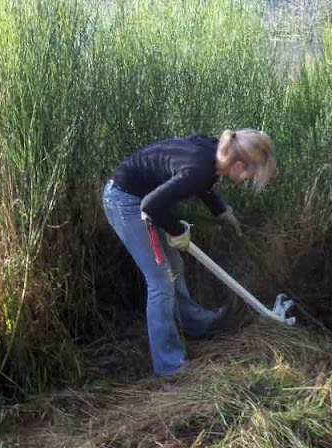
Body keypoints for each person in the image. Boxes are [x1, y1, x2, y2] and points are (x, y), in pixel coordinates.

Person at [102, 129, 277, 375]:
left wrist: (221, 211)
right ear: (237, 165)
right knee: (160, 281)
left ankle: (198, 324)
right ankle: (169, 365)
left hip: (147, 199)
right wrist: (176, 230)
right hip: (127, 202)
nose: (249, 178)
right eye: (251, 172)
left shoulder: (214, 151)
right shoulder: (200, 170)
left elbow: (201, 182)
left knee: (175, 268)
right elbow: (151, 205)